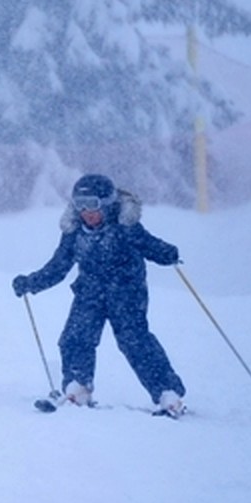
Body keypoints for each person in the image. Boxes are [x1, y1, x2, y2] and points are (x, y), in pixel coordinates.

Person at [11, 174, 186, 415]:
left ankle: (168, 394)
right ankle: (77, 388)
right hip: (89, 292)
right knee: (75, 337)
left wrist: (167, 253)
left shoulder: (124, 227)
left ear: (107, 203)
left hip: (126, 293)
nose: (86, 211)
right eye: (79, 204)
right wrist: (31, 283)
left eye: (92, 204)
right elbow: (59, 266)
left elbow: (149, 244)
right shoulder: (75, 232)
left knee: (134, 341)